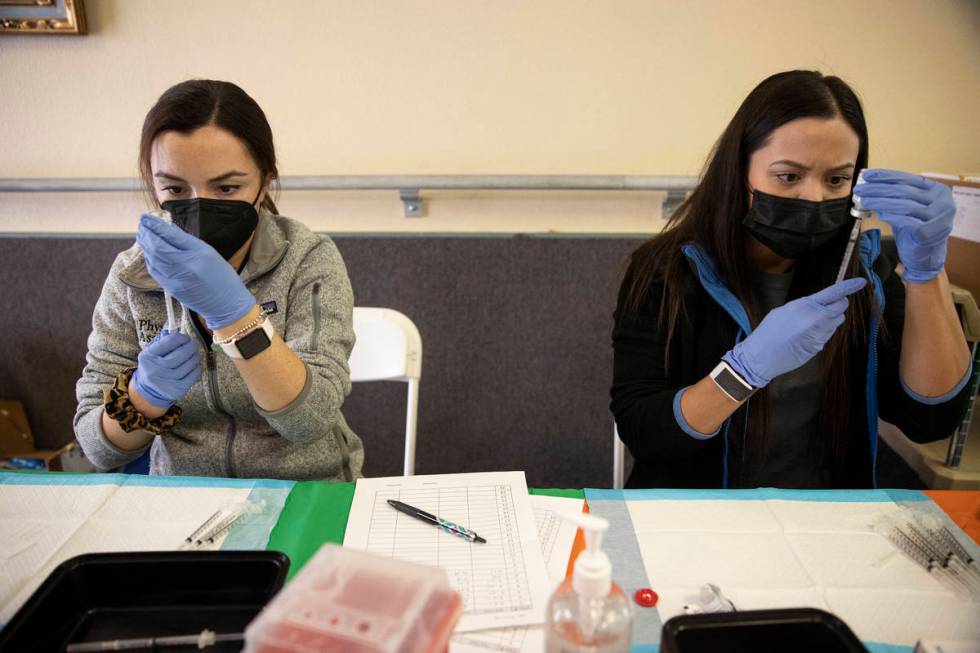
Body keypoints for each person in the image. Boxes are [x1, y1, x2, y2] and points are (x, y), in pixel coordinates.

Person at [611, 70, 971, 489]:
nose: (814, 198)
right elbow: (645, 434)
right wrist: (744, 370)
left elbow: (930, 419)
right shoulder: (665, 273)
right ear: (740, 169)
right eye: (788, 176)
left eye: (836, 179)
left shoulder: (862, 274)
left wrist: (928, 272)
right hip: (698, 522)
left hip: (821, 521)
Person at [75, 80, 363, 481]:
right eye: (174, 188)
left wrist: (236, 317)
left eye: (227, 187)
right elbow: (96, 449)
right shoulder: (133, 276)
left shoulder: (307, 259)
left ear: (264, 183)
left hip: (305, 488)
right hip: (184, 499)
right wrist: (143, 397)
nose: (199, 205)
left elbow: (308, 422)